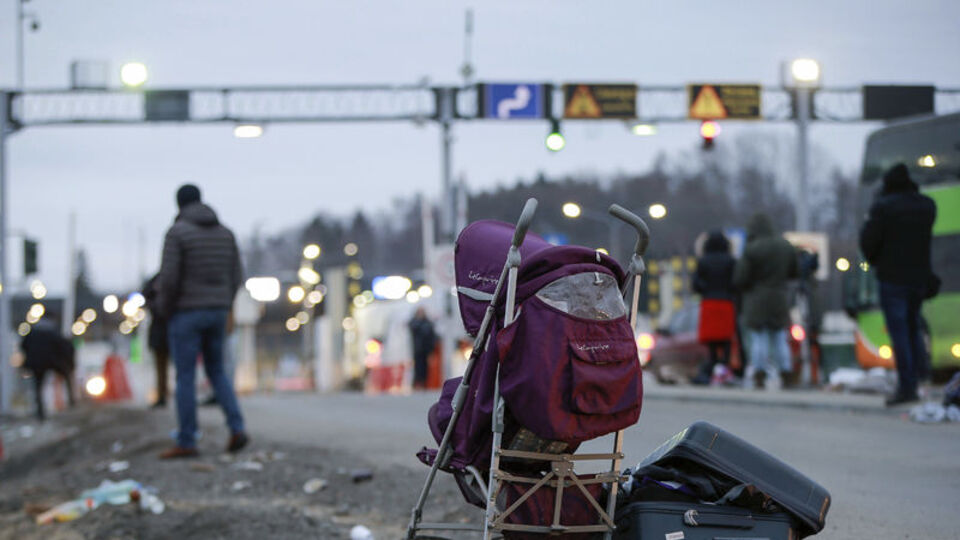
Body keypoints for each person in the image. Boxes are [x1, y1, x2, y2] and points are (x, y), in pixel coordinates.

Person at [156, 183, 248, 458]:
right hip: (217, 310)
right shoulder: (225, 234)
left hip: (186, 311)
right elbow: (236, 274)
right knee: (217, 371)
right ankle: (237, 428)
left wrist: (165, 308)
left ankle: (187, 440)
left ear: (178, 205)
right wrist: (225, 303)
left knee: (185, 376)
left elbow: (169, 278)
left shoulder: (177, 233)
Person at [859, 163, 936, 406]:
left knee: (900, 332)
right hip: (919, 278)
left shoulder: (884, 208)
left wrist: (876, 260)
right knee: (915, 328)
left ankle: (907, 386)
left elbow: (869, 241)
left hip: (892, 278)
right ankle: (923, 377)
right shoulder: (926, 206)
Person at [733, 213, 798, 390]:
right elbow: (795, 271)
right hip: (779, 297)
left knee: (758, 338)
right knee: (779, 337)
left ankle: (759, 376)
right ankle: (787, 374)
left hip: (757, 298)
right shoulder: (785, 246)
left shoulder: (752, 248)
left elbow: (740, 278)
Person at [692, 231, 736, 385]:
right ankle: (725, 367)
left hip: (709, 302)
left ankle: (712, 367)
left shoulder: (703, 261)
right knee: (726, 338)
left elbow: (696, 284)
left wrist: (707, 289)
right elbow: (736, 282)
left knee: (711, 340)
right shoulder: (731, 261)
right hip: (726, 303)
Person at [20, 314, 75, 420]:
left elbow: (23, 345)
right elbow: (64, 346)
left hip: (37, 363)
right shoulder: (53, 331)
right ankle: (72, 402)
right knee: (67, 376)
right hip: (53, 361)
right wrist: (67, 363)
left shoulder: (33, 332)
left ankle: (40, 413)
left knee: (38, 387)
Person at [142, 274, 170, 409]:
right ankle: (163, 393)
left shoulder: (156, 281)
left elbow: (145, 295)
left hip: (165, 328)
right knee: (162, 366)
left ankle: (163, 394)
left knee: (162, 366)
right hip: (166, 328)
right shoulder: (157, 280)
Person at [408, 307, 437, 390]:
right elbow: (412, 327)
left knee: (425, 367)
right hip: (417, 349)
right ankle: (417, 382)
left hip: (426, 349)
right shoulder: (415, 322)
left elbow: (432, 335)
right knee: (417, 366)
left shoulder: (428, 323)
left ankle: (424, 382)